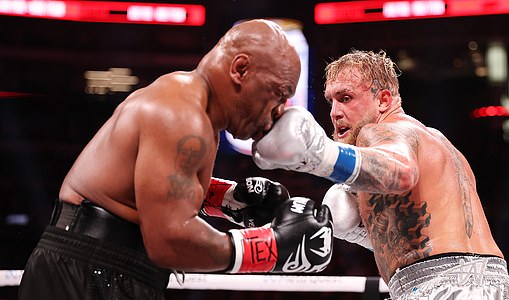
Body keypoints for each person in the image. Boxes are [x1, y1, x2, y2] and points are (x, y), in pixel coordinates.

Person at [19, 19, 334, 300]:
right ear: (240, 69)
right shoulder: (179, 114)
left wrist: (229, 199)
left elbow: (155, 184)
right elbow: (169, 240)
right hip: (88, 268)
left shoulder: (196, 112)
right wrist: (270, 248)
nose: (279, 111)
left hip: (109, 267)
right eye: (278, 94)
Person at [252, 49, 509, 299]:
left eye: (346, 98)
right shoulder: (439, 144)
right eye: (331, 101)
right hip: (501, 287)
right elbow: (421, 235)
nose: (335, 113)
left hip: (440, 287)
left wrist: (316, 154)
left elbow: (401, 171)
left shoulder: (382, 131)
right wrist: (358, 232)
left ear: (383, 99)